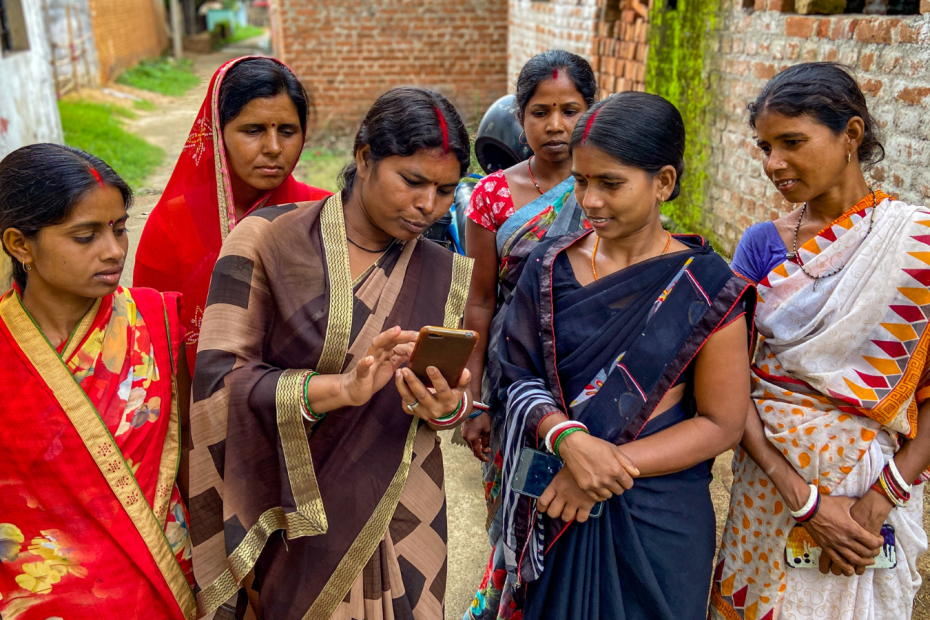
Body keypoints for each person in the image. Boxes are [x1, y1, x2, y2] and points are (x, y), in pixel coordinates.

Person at [186, 87, 474, 620]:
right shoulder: (268, 241)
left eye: (445, 190)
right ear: (364, 158)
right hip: (291, 516)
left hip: (398, 507)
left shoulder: (439, 268)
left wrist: (447, 407)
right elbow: (219, 383)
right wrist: (341, 390)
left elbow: (453, 401)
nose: (427, 206)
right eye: (412, 181)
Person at [496, 92, 754, 619]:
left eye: (611, 184)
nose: (590, 201)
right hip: (551, 497)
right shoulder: (547, 268)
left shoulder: (706, 286)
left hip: (656, 516)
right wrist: (566, 441)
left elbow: (722, 422)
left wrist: (599, 468)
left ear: (663, 182)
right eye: (582, 181)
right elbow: (514, 374)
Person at [713, 62, 930, 620]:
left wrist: (879, 500)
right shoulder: (762, 246)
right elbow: (732, 386)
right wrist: (802, 498)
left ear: (851, 135)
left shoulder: (916, 247)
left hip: (870, 501)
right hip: (770, 487)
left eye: (792, 142)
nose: (773, 164)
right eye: (764, 147)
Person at [0, 144, 195, 619]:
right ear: (20, 245)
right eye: (85, 236)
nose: (114, 251)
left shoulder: (155, 322)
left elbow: (188, 454)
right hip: (37, 600)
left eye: (120, 228)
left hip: (160, 585)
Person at [461, 53, 596, 619]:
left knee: (582, 497)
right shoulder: (493, 196)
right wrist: (472, 400)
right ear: (521, 117)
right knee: (523, 496)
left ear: (591, 111)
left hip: (589, 368)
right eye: (541, 112)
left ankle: (565, 601)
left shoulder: (611, 182)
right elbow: (480, 301)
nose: (556, 125)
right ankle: (512, 597)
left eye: (570, 110)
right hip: (516, 377)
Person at [133, 56, 331, 373]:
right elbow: (156, 346)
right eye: (252, 130)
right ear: (217, 133)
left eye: (288, 131)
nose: (273, 147)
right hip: (203, 408)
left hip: (310, 404)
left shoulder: (325, 213)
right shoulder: (170, 226)